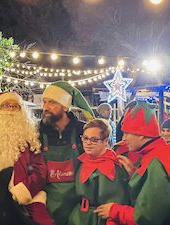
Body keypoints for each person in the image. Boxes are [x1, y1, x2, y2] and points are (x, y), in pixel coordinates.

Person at [94, 100, 170, 225]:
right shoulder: (156, 154)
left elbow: (148, 217)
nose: (123, 138)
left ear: (141, 135)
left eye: (127, 133)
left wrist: (114, 210)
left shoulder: (157, 161)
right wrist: (134, 174)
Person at [0, 91, 54, 225]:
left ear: (21, 111)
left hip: (26, 198)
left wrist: (19, 193)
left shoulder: (30, 140)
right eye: (6, 106)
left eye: (15, 107)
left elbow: (40, 171)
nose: (10, 110)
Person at [40, 81, 95, 225]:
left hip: (77, 210)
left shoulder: (82, 131)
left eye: (52, 102)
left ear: (65, 106)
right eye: (44, 102)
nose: (45, 107)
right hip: (45, 210)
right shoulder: (36, 133)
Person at [67, 119, 130, 225]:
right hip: (79, 217)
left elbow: (116, 202)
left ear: (105, 141)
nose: (88, 143)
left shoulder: (111, 168)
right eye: (85, 138)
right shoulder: (82, 161)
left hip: (99, 219)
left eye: (94, 140)